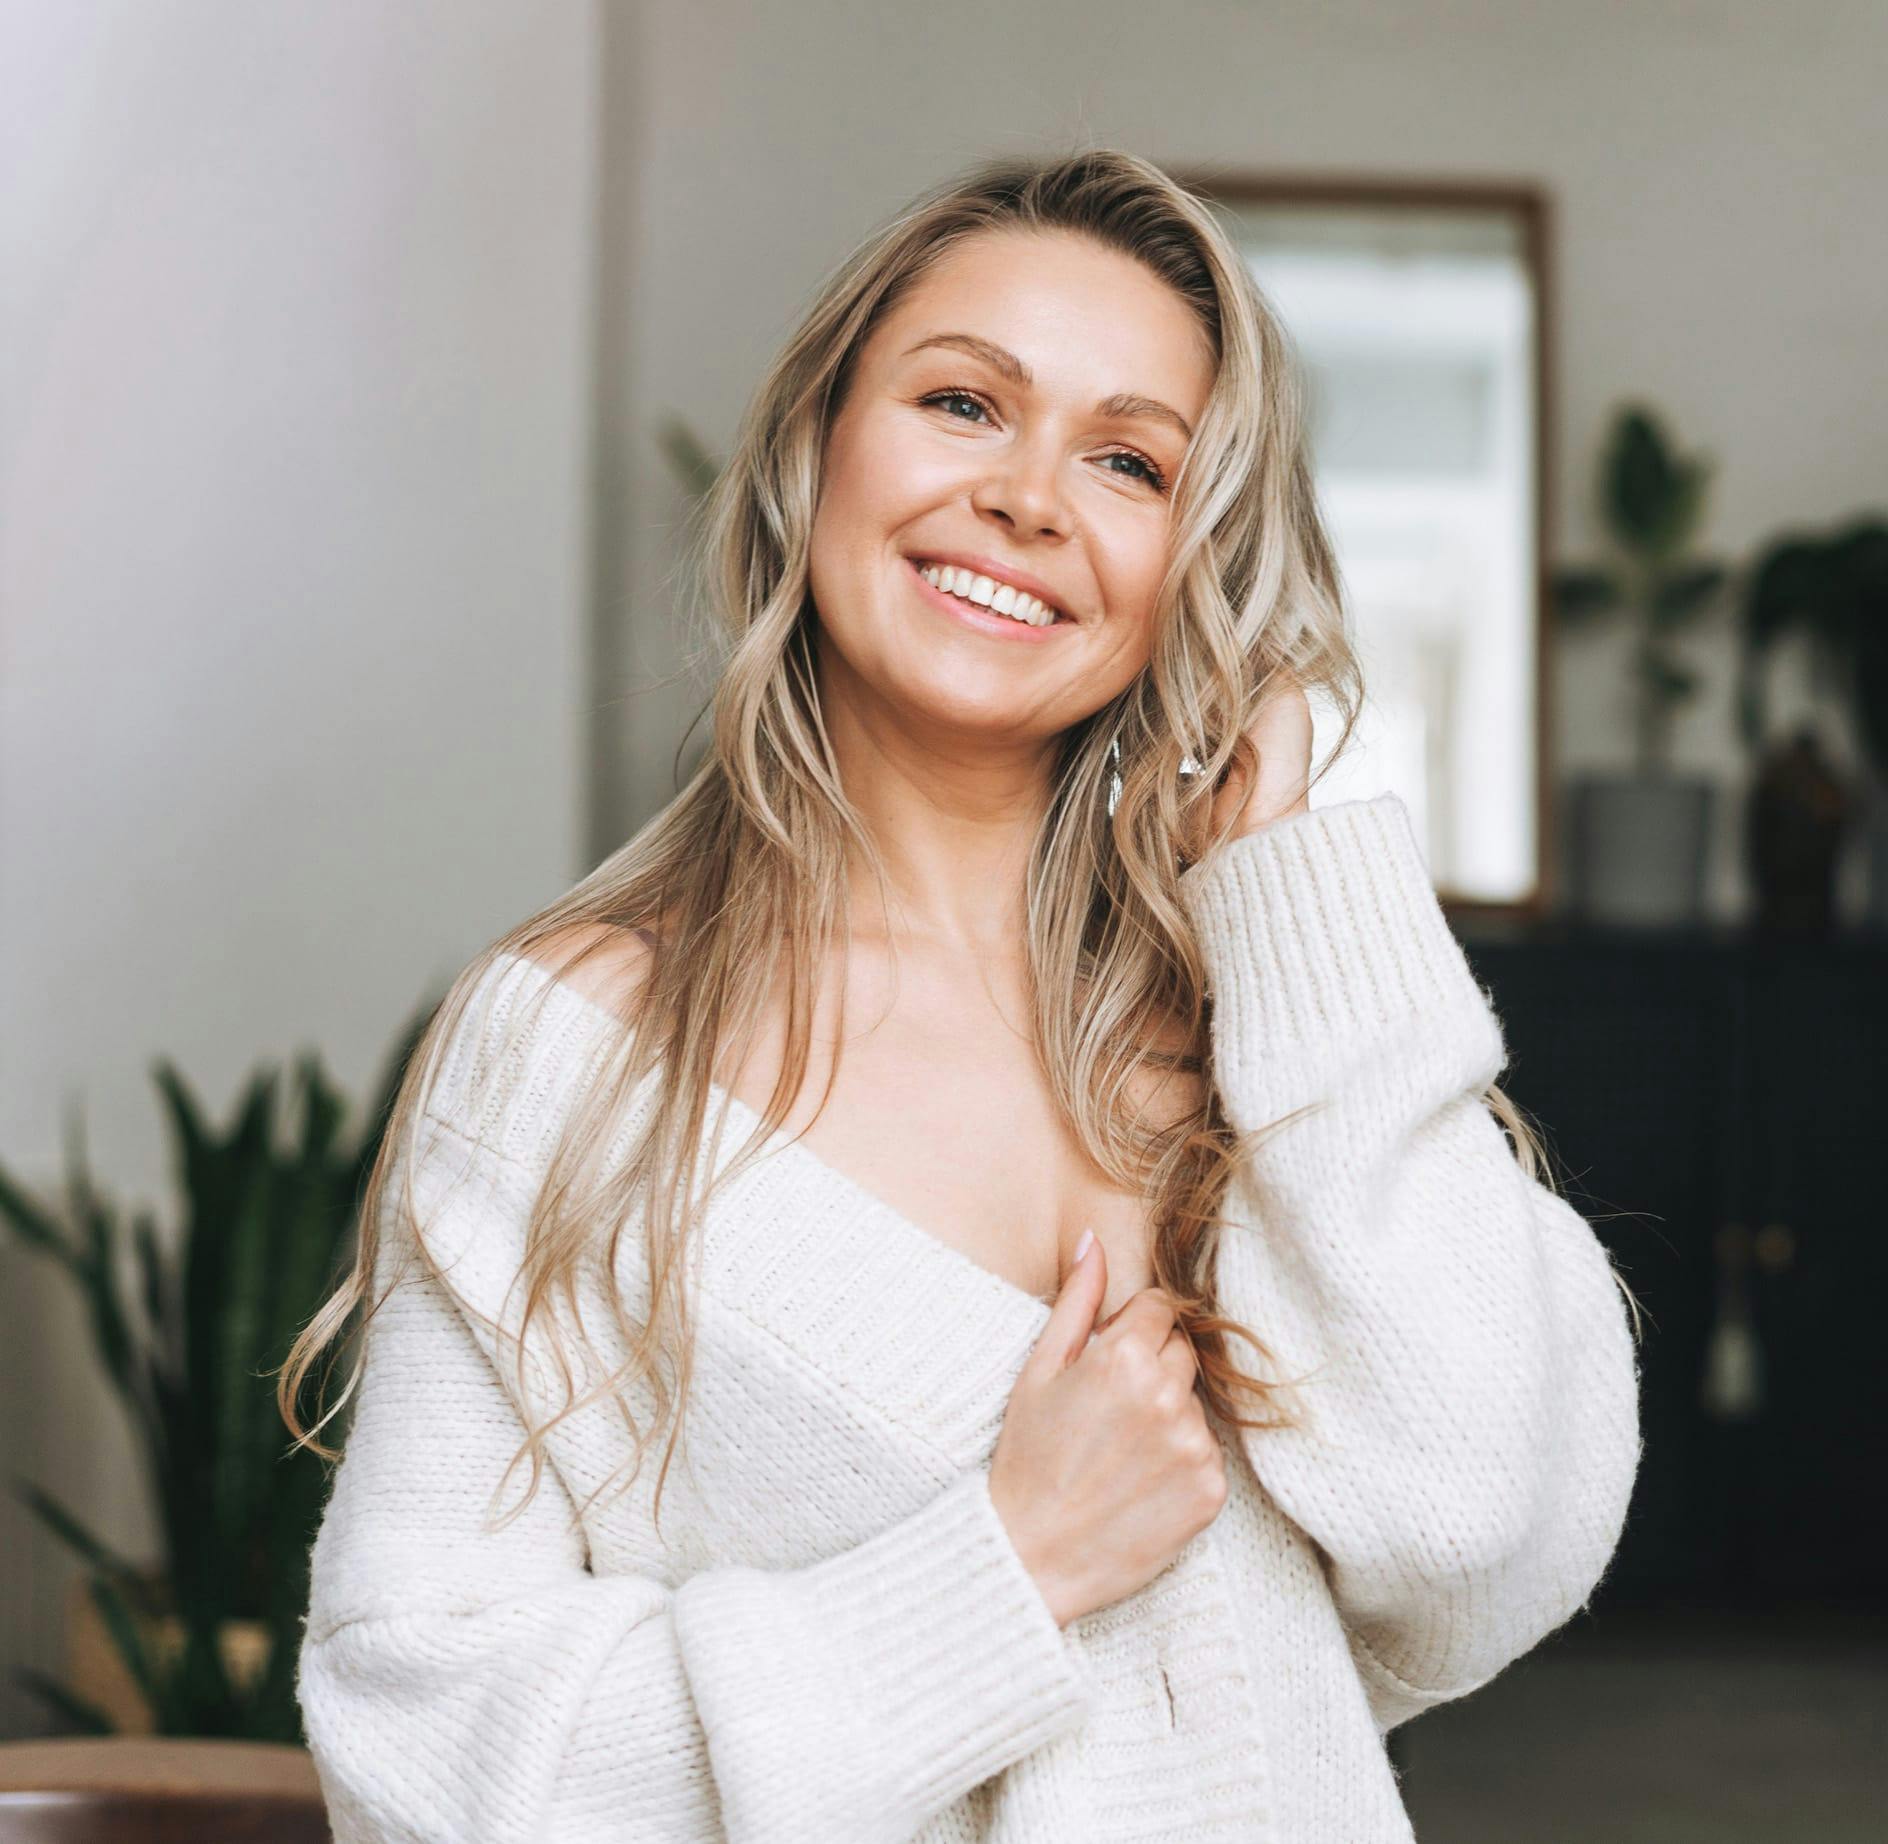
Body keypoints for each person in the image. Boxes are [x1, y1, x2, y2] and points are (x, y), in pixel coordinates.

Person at [279, 146, 1643, 1844]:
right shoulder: (572, 1052)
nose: (1028, 499)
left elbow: (1471, 1526)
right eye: (962, 404)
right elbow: (417, 1752)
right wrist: (999, 1571)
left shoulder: (1267, 1026)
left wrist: (1288, 875)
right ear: (817, 445)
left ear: (1188, 571)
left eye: (1131, 461)